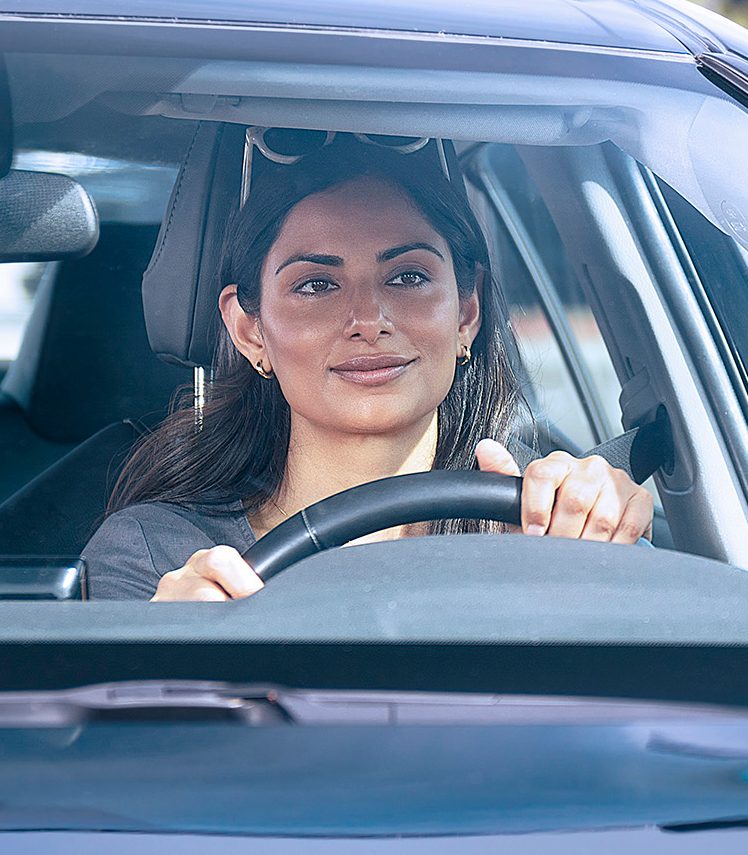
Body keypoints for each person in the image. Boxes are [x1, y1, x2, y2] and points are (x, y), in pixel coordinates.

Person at [83, 132, 653, 601]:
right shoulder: (155, 558)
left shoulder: (558, 526)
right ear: (249, 329)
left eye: (407, 277)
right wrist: (159, 657)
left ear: (467, 312)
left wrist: (591, 561)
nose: (368, 319)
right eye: (316, 284)